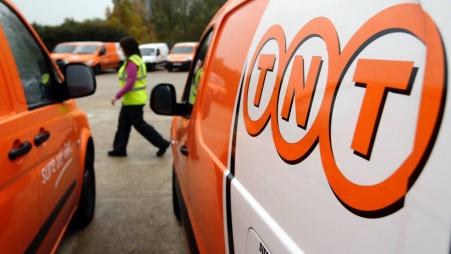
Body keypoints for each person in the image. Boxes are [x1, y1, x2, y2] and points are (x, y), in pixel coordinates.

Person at [108, 36, 170, 157]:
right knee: (123, 125)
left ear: (127, 49)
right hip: (130, 100)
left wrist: (117, 96)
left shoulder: (132, 62)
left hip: (134, 100)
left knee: (139, 125)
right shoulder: (136, 59)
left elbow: (130, 83)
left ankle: (162, 143)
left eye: (122, 48)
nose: (121, 51)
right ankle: (119, 149)